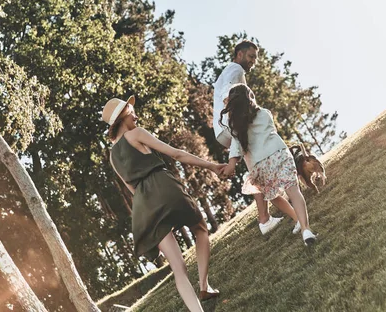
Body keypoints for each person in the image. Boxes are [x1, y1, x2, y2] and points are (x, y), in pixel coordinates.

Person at [103, 95, 222, 311]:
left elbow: (131, 189)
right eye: (132, 112)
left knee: (178, 268)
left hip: (143, 204)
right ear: (122, 116)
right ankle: (204, 286)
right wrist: (211, 166)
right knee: (200, 228)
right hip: (164, 187)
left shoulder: (112, 156)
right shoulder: (136, 134)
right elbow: (177, 154)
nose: (136, 116)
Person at [212, 40, 299, 235]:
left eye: (255, 59)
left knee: (256, 166)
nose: (253, 62)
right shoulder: (236, 70)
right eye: (251, 57)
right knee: (258, 167)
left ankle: (265, 218)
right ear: (239, 54)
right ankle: (267, 217)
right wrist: (236, 113)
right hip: (230, 124)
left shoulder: (228, 70)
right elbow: (228, 91)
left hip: (222, 128)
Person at [220, 84, 317, 245]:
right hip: (279, 155)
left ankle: (297, 219)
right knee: (294, 191)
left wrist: (230, 166)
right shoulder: (265, 114)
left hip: (260, 166)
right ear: (250, 98)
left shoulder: (236, 126)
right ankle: (306, 229)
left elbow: (236, 149)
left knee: (272, 196)